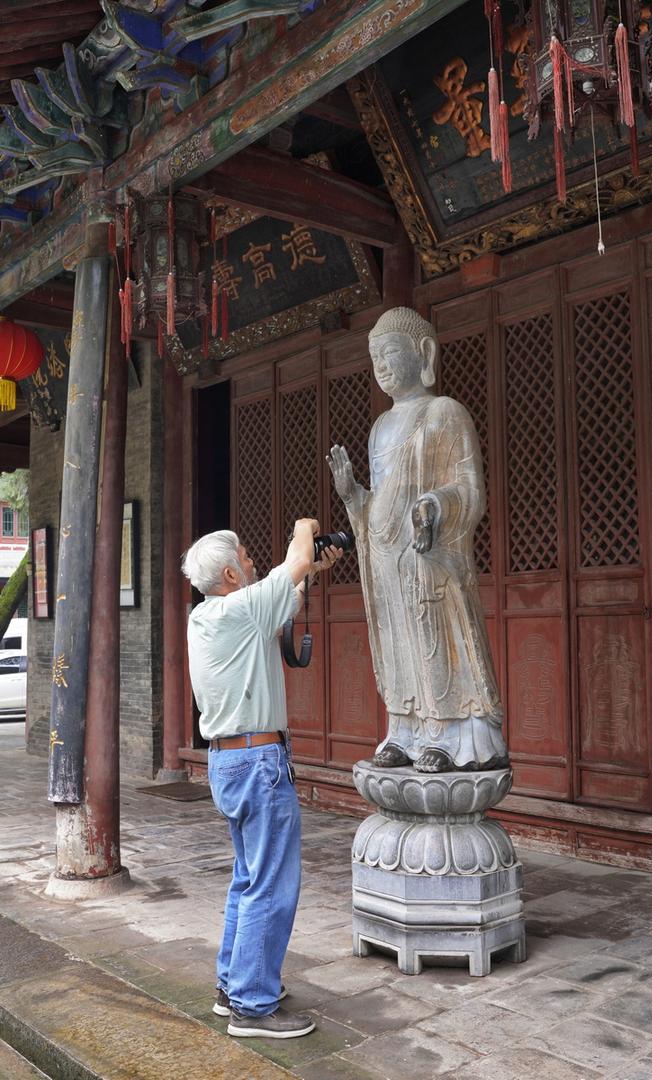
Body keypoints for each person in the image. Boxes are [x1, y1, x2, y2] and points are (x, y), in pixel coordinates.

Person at [327, 306, 509, 773]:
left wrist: (433, 505)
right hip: (386, 555)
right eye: (374, 359)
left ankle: (451, 734)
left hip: (430, 557)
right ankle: (404, 731)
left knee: (434, 640)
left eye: (389, 353)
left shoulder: (444, 412)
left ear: (422, 352)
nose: (381, 367)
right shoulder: (379, 427)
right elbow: (379, 504)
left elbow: (470, 491)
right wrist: (354, 496)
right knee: (397, 643)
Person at [182, 522, 341, 1039]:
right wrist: (304, 530)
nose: (253, 564)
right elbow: (289, 562)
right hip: (257, 762)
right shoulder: (241, 610)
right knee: (270, 883)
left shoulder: (210, 616)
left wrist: (311, 570)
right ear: (230, 572)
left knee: (249, 878)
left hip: (231, 763)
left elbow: (284, 596)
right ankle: (254, 1006)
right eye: (247, 559)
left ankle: (234, 988)